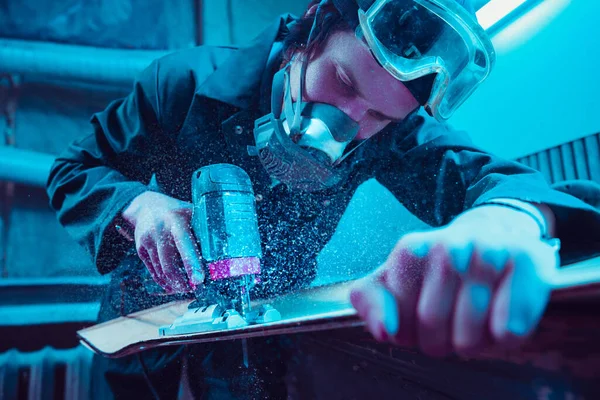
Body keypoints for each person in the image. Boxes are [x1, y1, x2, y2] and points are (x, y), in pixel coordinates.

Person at [46, 0, 600, 398]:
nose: (346, 127)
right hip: (145, 329)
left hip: (263, 334)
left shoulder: (389, 138)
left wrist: (506, 221)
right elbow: (74, 169)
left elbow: (490, 178)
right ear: (311, 26)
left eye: (380, 115)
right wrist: (139, 206)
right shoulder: (184, 82)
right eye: (343, 82)